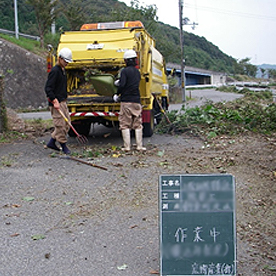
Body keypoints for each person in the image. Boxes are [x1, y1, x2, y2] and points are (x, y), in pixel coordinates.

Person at [113, 49, 146, 151]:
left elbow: (123, 85)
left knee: (125, 123)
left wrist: (117, 94)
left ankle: (127, 147)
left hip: (126, 101)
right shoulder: (137, 72)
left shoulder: (124, 71)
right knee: (137, 124)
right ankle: (139, 146)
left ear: (126, 61)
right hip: (136, 100)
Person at [45, 47, 72, 154]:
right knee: (60, 125)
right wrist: (54, 100)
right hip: (56, 103)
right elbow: (48, 88)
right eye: (65, 61)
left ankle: (52, 142)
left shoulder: (63, 70)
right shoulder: (55, 71)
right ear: (60, 58)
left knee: (67, 124)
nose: (67, 63)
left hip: (63, 101)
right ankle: (64, 146)